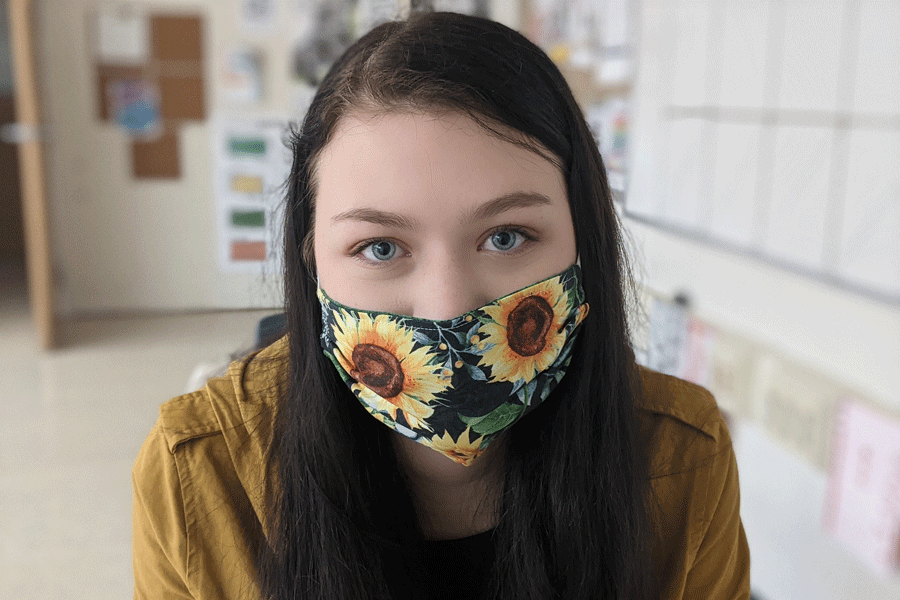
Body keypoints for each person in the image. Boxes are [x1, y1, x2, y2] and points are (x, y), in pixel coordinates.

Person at [132, 11, 750, 600]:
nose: (448, 307)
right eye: (380, 247)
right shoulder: (198, 473)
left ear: (583, 239)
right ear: (312, 260)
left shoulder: (685, 461)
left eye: (506, 237)